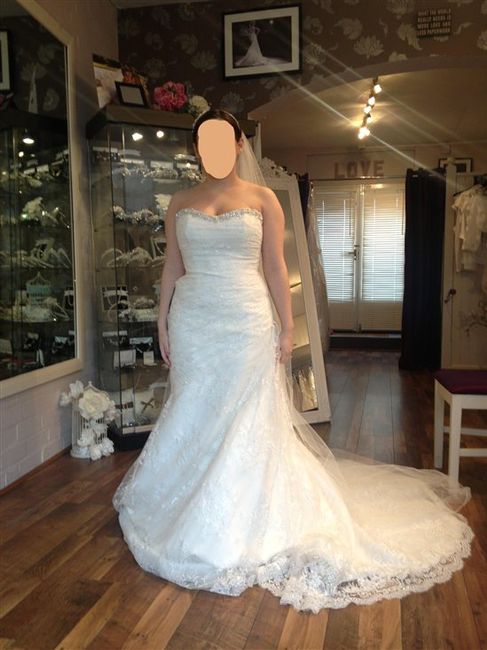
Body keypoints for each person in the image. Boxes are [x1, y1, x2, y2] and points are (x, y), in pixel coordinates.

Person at [112, 108, 474, 613]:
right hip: (193, 321)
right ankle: (182, 496)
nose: (212, 149)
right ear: (196, 149)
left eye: (221, 139)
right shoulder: (180, 202)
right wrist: (161, 320)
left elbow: (275, 267)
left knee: (246, 416)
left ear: (239, 144)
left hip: (246, 319)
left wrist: (287, 328)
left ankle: (241, 515)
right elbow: (172, 264)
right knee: (194, 406)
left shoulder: (262, 199)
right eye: (203, 142)